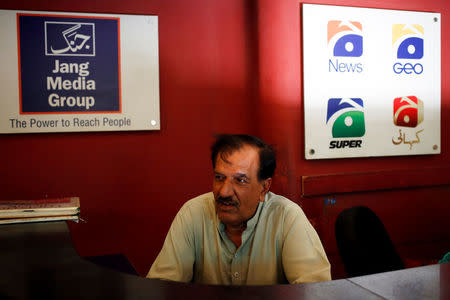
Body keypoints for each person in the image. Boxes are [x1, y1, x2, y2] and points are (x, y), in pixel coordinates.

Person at [147, 134, 331, 285]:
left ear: (264, 188)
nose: (224, 192)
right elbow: (163, 287)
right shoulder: (193, 213)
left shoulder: (287, 217)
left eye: (240, 180)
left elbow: (315, 290)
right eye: (219, 177)